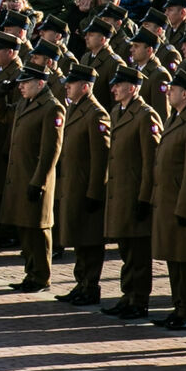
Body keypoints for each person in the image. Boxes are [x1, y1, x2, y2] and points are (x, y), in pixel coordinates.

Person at [101, 65, 161, 320]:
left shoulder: (145, 116)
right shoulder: (117, 111)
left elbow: (151, 162)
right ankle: (128, 296)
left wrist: (145, 198)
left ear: (133, 88)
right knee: (126, 249)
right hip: (120, 193)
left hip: (136, 194)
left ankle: (139, 299)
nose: (113, 89)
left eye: (119, 85)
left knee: (138, 252)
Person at [2, 65, 64, 292]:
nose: (21, 86)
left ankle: (41, 276)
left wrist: (38, 181)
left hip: (35, 180)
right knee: (25, 228)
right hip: (20, 177)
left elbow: (51, 150)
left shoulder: (51, 108)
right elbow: (4, 118)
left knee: (38, 231)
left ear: (40, 83)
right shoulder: (24, 103)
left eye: (25, 83)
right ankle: (31, 273)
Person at [53, 64, 110, 307]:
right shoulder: (76, 109)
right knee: (78, 237)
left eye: (72, 83)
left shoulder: (96, 115)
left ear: (85, 87)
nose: (67, 85)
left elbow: (101, 159)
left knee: (89, 239)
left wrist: (95, 192)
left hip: (87, 188)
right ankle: (81, 283)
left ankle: (91, 286)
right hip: (73, 185)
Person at [152, 71, 186, 329]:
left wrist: (184, 208)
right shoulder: (176, 119)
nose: (168, 93)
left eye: (172, 89)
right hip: (168, 201)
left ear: (185, 93)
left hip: (185, 206)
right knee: (174, 258)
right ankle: (179, 308)